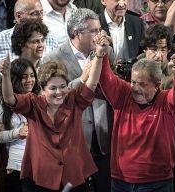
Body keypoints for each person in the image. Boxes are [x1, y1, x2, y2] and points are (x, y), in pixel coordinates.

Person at [0, 28, 110, 191]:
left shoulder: (73, 99)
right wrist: (6, 75)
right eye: (53, 88)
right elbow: (9, 99)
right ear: (42, 88)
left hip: (73, 178)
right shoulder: (33, 103)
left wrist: (99, 56)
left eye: (63, 86)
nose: (59, 92)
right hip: (41, 179)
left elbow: (91, 84)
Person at [98, 41, 175, 191]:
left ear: (157, 84)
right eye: (133, 82)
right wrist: (101, 54)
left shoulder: (166, 101)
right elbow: (105, 77)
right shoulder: (123, 94)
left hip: (157, 183)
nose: (135, 88)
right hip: (121, 181)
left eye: (142, 84)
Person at [43, 8, 114, 192]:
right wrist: (82, 79)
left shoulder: (108, 53)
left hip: (103, 135)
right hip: (72, 140)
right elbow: (52, 98)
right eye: (94, 31)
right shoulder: (54, 58)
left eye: (100, 30)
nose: (99, 36)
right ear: (77, 33)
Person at [0, 58, 39, 192]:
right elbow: (0, 136)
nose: (30, 80)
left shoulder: (40, 97)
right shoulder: (4, 103)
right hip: (17, 166)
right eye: (24, 77)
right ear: (15, 79)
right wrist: (17, 133)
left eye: (32, 75)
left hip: (40, 164)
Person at [0, 0, 58, 68]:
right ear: (19, 16)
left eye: (41, 13)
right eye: (35, 14)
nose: (41, 17)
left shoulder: (51, 39)